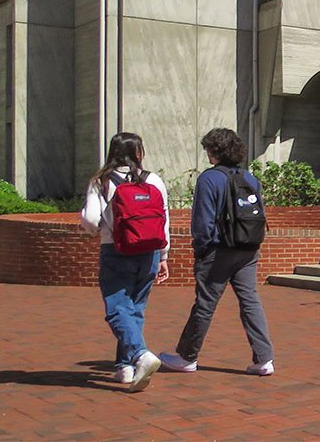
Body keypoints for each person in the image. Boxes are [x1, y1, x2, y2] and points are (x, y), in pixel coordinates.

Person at [158, 127, 275, 376]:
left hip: (218, 251)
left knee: (205, 304)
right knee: (250, 301)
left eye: (208, 148)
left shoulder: (209, 179)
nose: (207, 153)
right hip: (248, 249)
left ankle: (186, 356)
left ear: (215, 150)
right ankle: (264, 359)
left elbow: (202, 222)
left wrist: (202, 250)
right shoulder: (249, 178)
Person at [80, 131, 170, 391]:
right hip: (150, 251)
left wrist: (87, 224)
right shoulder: (153, 180)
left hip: (116, 250)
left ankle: (140, 355)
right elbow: (164, 220)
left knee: (116, 307)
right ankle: (125, 367)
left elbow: (91, 221)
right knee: (135, 309)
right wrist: (164, 256)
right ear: (139, 153)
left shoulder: (102, 181)